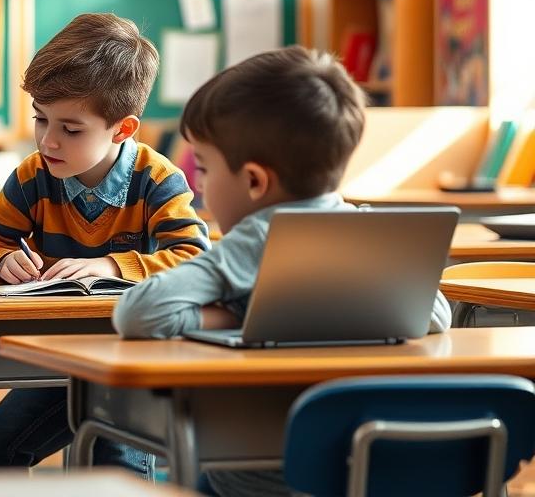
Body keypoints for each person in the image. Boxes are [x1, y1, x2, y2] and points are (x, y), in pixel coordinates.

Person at [112, 46, 452, 496]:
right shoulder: (370, 229)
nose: (198, 186)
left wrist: (241, 314)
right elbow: (436, 316)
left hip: (255, 479)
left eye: (206, 170)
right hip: (370, 473)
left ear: (254, 181)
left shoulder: (252, 241)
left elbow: (138, 312)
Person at [0, 13, 210, 475]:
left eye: (70, 129)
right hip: (59, 355)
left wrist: (113, 267)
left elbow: (194, 258)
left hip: (130, 358)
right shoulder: (33, 175)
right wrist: (3, 261)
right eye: (40, 119)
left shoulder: (157, 179)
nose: (47, 140)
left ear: (122, 129)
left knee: (114, 466)